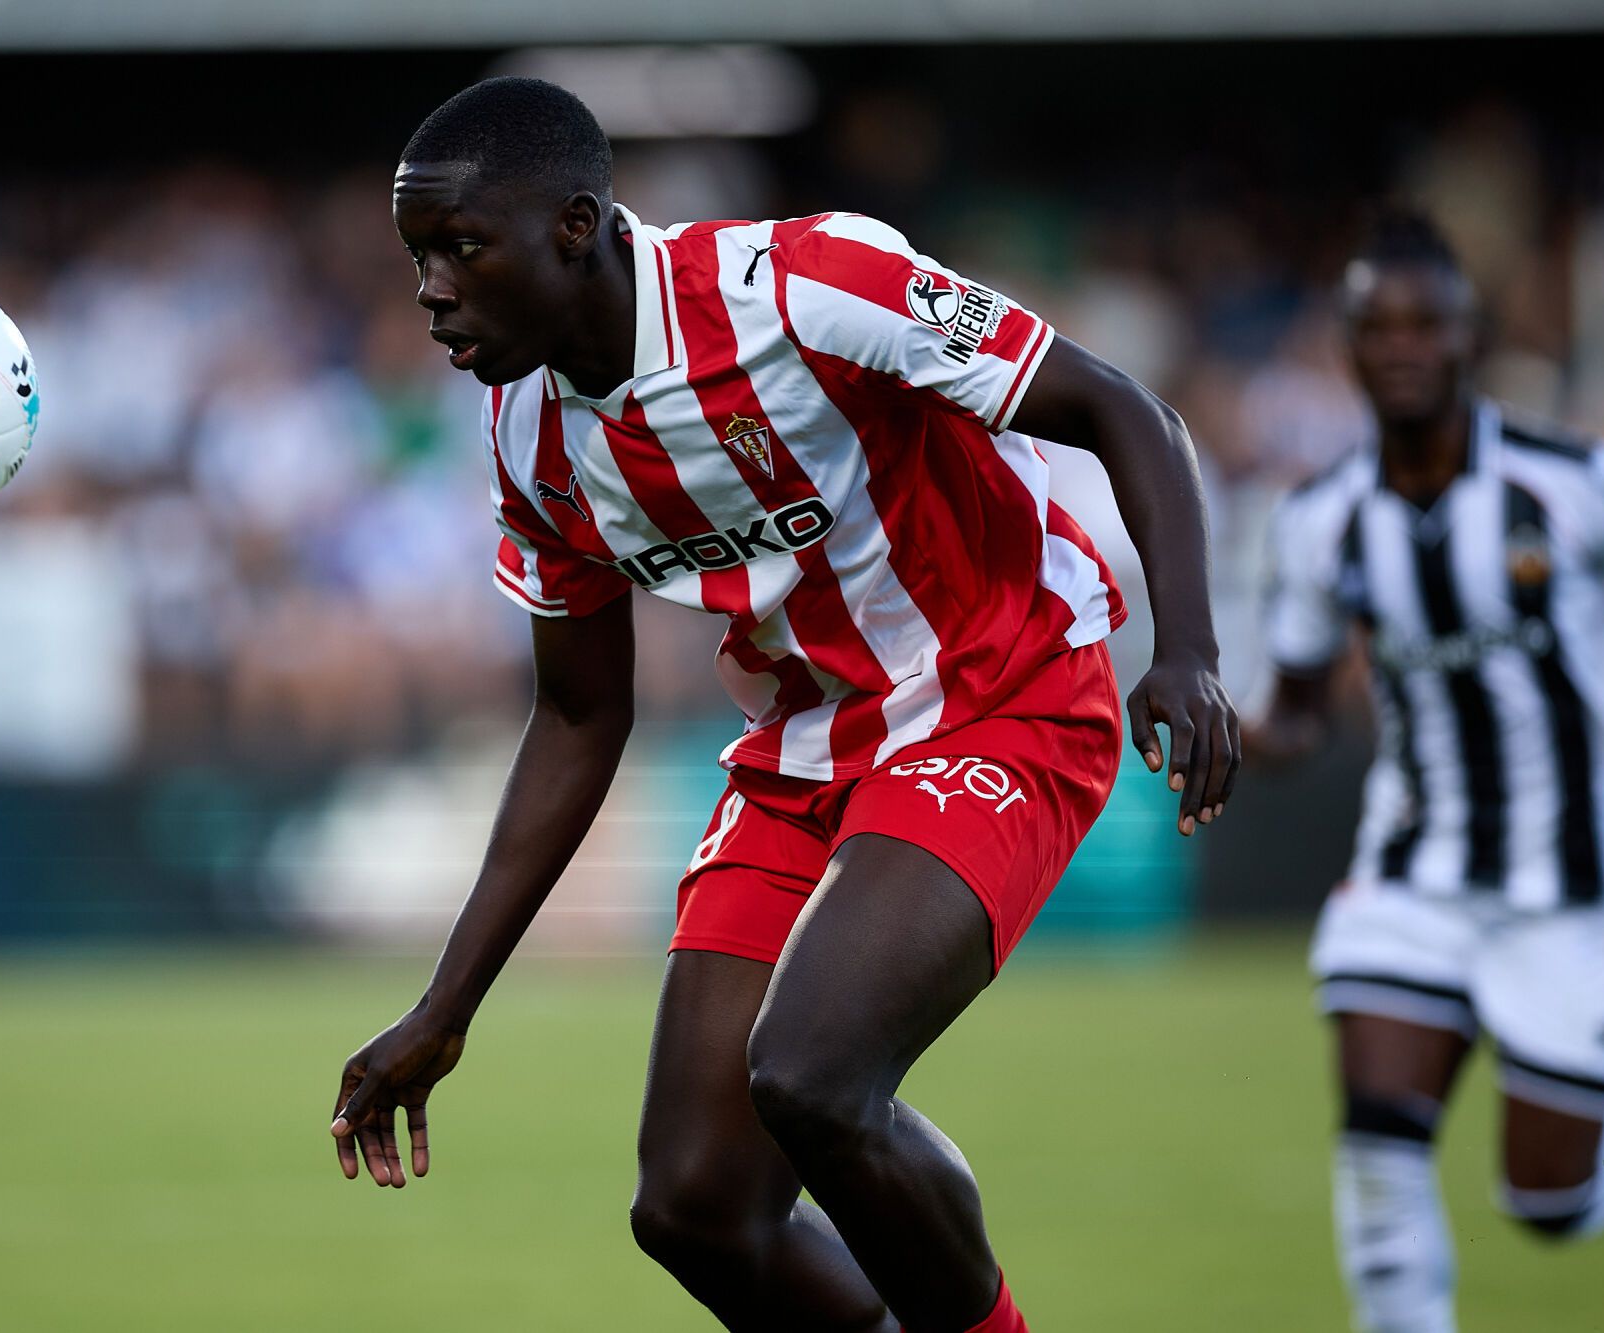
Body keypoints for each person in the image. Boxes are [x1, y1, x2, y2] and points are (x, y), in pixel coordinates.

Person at [328, 77, 1239, 1333]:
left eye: (460, 249)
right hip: (804, 750)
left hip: (1000, 698)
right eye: (418, 256)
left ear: (577, 225)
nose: (429, 289)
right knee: (692, 1207)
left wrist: (1184, 648)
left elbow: (1121, 408)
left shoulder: (807, 284)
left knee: (810, 1075)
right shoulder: (525, 438)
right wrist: (445, 1006)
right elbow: (580, 718)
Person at [1250, 212, 1604, 1333]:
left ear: (1465, 337)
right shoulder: (1319, 521)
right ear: (1344, 346)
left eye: (1423, 324)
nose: (1399, 346)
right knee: (1375, 1149)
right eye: (1374, 325)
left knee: (1544, 1202)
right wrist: (1240, 736)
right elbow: (1297, 713)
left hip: (1574, 885)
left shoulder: (1580, 478)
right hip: (1411, 872)